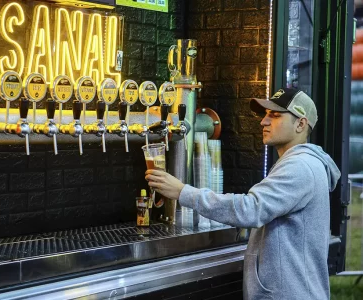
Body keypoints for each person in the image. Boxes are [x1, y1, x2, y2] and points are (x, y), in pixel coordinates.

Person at [145, 88, 341, 300]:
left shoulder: (299, 166)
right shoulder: (300, 162)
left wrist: (182, 191)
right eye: (265, 115)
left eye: (275, 116)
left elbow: (251, 209)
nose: (263, 122)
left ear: (301, 124)